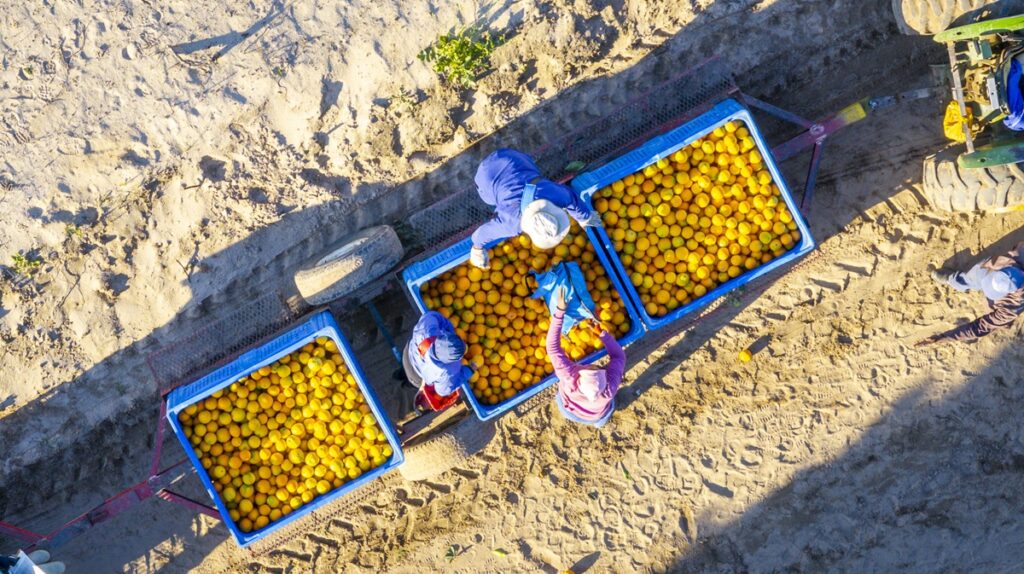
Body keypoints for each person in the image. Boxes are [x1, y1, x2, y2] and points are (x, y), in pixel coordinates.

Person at [469, 148, 601, 268]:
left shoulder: (553, 194)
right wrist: (477, 250)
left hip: (513, 158)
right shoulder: (512, 224)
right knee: (489, 199)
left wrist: (585, 217)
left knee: (531, 171)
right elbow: (482, 234)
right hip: (487, 175)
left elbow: (571, 199)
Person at [918, 240, 1024, 345]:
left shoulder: (1012, 305)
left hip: (1008, 279)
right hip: (1002, 265)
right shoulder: (1018, 252)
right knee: (977, 273)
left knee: (996, 319)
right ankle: (953, 280)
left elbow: (979, 327)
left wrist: (944, 337)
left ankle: (1001, 324)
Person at [546, 288, 625, 427]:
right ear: (605, 378)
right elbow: (619, 356)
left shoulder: (570, 378)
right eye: (597, 367)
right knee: (604, 413)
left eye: (589, 368)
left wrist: (559, 312)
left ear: (579, 377)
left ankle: (594, 421)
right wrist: (603, 335)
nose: (590, 365)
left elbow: (552, 347)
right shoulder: (609, 389)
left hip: (569, 410)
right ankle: (599, 423)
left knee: (562, 403)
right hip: (595, 413)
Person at [402, 311, 473, 397]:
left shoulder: (428, 330)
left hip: (408, 354)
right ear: (454, 360)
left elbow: (431, 316)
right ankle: (406, 384)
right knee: (410, 382)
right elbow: (443, 391)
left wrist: (448, 329)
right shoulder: (449, 370)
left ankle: (400, 373)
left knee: (403, 370)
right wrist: (470, 370)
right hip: (416, 376)